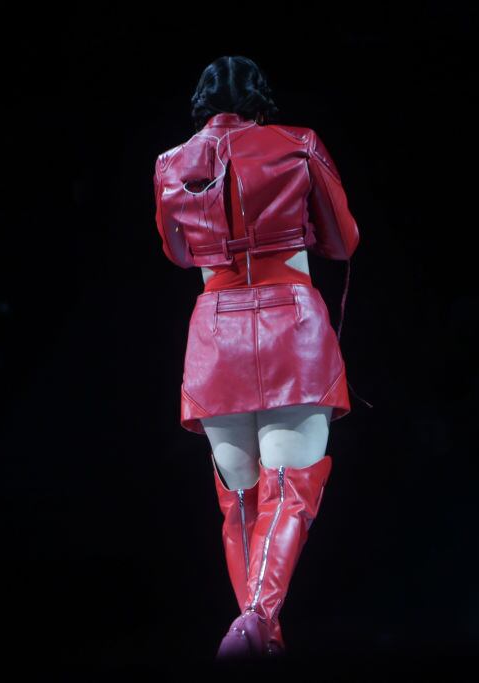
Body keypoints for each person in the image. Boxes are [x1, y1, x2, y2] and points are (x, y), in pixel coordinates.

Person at [152, 55, 362, 660]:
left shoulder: (170, 165)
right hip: (288, 324)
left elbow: (177, 253)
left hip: (217, 332)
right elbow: (342, 240)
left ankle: (256, 636)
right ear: (261, 101)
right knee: (289, 491)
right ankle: (257, 623)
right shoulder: (298, 144)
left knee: (241, 498)